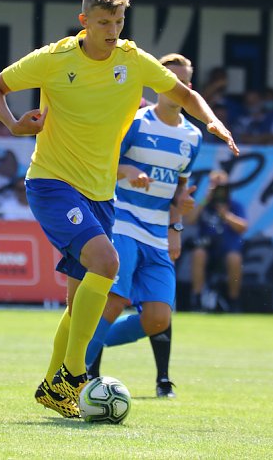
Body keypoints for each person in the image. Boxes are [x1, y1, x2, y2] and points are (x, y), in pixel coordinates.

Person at [0, 0, 238, 418]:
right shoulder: (54, 57)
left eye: (118, 21)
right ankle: (77, 374)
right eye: (103, 22)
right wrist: (13, 124)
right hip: (52, 182)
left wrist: (212, 122)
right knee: (108, 263)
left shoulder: (133, 61)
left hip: (101, 193)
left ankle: (52, 386)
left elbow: (185, 95)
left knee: (79, 299)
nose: (112, 29)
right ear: (84, 22)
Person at [83, 53, 201, 399]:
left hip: (158, 233)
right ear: (158, 84)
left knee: (157, 319)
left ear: (188, 88)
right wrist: (127, 172)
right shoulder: (136, 122)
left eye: (182, 82)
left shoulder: (193, 137)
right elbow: (103, 162)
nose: (175, 87)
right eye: (169, 80)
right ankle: (74, 374)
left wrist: (177, 224)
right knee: (115, 299)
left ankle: (88, 340)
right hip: (122, 222)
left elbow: (180, 189)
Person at [186, 169, 249, 312]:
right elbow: (189, 220)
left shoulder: (234, 205)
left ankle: (234, 300)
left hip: (228, 248)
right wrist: (204, 200)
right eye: (214, 184)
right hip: (207, 246)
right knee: (198, 254)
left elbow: (243, 227)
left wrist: (225, 214)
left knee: (235, 259)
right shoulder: (204, 204)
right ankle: (196, 298)